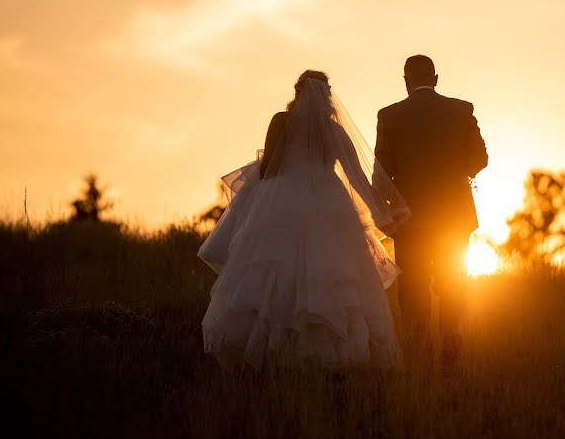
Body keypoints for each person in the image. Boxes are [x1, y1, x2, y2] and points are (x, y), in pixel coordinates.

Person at [198, 70, 410, 370]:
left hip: (282, 202)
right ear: (327, 97)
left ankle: (273, 354)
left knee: (276, 274)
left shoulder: (281, 122)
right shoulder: (335, 132)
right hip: (330, 206)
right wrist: (383, 214)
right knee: (331, 279)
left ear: (297, 93)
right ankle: (329, 354)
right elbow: (358, 179)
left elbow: (269, 166)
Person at [374, 55, 488, 366]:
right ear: (435, 78)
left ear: (406, 81)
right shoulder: (462, 110)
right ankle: (451, 343)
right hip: (454, 215)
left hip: (411, 219)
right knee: (453, 280)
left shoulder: (389, 115)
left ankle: (419, 349)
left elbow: (382, 174)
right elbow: (479, 161)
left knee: (413, 285)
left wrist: (387, 210)